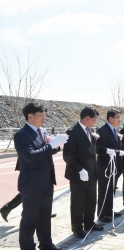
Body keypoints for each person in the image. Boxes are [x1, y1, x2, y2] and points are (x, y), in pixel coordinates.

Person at [14, 103, 68, 250]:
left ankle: (46, 243)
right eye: (40, 115)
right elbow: (30, 156)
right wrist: (51, 146)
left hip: (46, 181)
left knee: (45, 216)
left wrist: (56, 145)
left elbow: (46, 152)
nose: (44, 118)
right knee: (29, 219)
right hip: (32, 184)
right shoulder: (21, 135)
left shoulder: (42, 132)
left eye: (44, 114)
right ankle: (27, 247)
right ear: (30, 116)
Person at [63, 107, 115, 239]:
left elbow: (93, 148)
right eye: (94, 119)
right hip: (78, 174)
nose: (94, 122)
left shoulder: (89, 130)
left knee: (91, 200)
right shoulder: (72, 132)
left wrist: (107, 150)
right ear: (86, 118)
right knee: (78, 202)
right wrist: (80, 169)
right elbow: (68, 155)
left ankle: (89, 224)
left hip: (91, 173)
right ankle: (77, 228)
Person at [96, 109, 124, 222]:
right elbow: (99, 148)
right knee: (104, 190)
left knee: (111, 189)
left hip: (114, 165)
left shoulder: (114, 130)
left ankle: (109, 210)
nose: (119, 120)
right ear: (110, 118)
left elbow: (116, 146)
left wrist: (122, 151)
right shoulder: (103, 130)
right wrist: (110, 151)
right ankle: (102, 214)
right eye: (117, 117)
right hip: (105, 165)